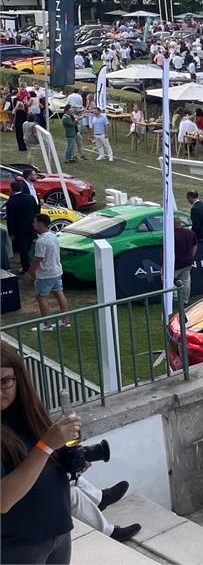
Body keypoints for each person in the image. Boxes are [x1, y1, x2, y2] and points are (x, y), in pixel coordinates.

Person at [1, 341, 82, 564]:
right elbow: (3, 500)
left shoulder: (26, 413)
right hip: (16, 547)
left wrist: (67, 459)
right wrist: (45, 446)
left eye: (5, 381)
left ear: (19, 379)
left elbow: (39, 462)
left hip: (58, 529)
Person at [26, 215, 69, 328]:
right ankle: (65, 320)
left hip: (45, 274)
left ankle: (47, 324)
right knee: (59, 293)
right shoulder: (53, 236)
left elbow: (37, 259)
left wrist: (30, 273)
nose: (33, 224)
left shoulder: (41, 241)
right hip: (57, 271)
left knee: (42, 297)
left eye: (35, 222)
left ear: (40, 223)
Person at [172, 216, 197, 308]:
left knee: (167, 280)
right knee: (186, 281)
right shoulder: (190, 233)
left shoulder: (170, 235)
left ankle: (175, 298)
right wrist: (191, 256)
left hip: (175, 264)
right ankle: (185, 300)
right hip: (187, 262)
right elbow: (195, 246)